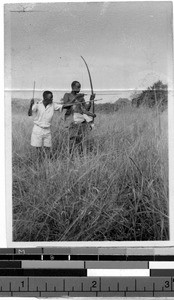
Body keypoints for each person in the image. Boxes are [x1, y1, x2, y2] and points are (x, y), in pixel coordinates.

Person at [62, 81, 96, 155]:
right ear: (72, 87)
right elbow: (65, 105)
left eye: (80, 87)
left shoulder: (81, 98)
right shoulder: (67, 95)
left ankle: (80, 156)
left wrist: (90, 100)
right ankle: (71, 157)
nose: (79, 88)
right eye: (78, 87)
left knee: (82, 140)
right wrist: (76, 98)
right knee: (73, 140)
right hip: (72, 121)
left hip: (82, 122)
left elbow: (86, 109)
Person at [28, 90, 62, 161]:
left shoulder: (53, 105)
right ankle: (38, 163)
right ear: (45, 98)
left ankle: (46, 162)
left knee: (48, 147)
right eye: (50, 97)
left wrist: (74, 103)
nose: (52, 99)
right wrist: (31, 104)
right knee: (38, 148)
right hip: (38, 129)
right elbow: (29, 114)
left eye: (52, 97)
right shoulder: (37, 105)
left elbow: (64, 106)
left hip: (47, 129)